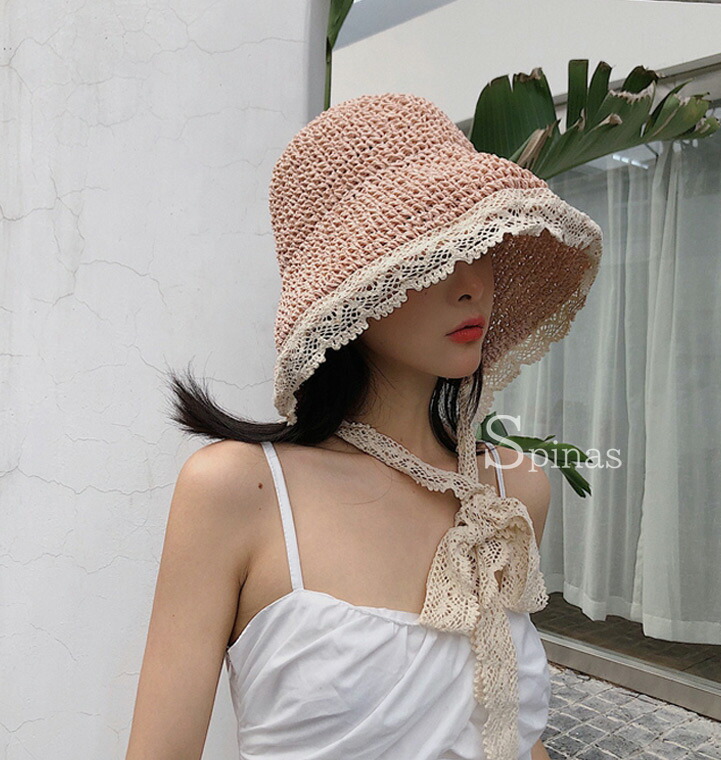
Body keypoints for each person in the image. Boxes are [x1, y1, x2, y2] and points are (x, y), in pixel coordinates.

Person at [125, 93, 603, 760]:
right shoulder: (238, 493)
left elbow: (514, 736)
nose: (472, 282)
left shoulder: (511, 492)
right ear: (353, 286)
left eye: (480, 242)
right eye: (434, 253)